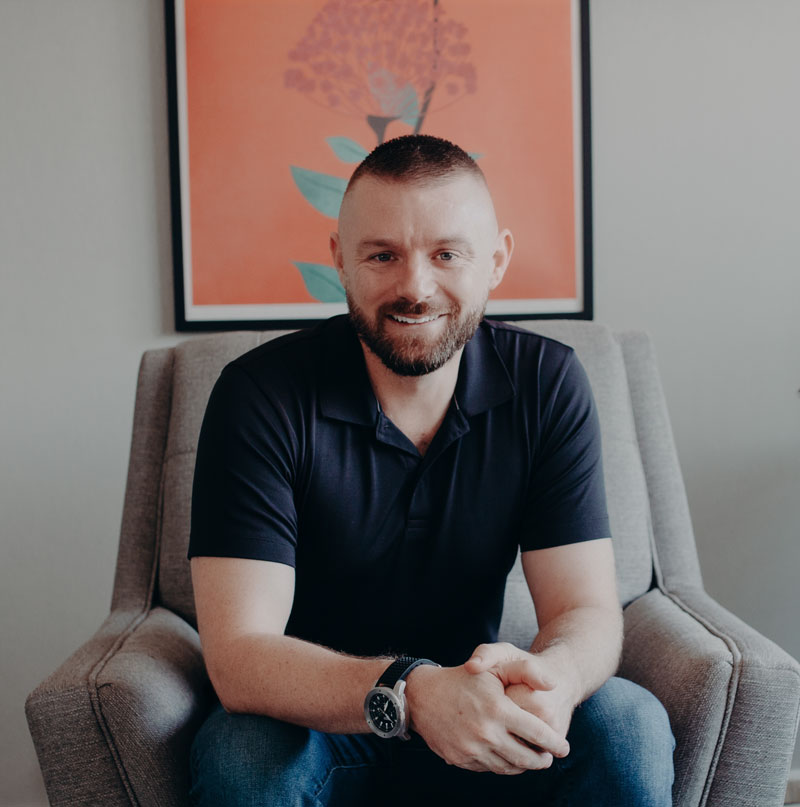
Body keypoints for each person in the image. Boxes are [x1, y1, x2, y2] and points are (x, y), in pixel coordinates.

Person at [187, 134, 675, 806]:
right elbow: (239, 655)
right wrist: (411, 691)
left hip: (486, 708)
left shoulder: (547, 383)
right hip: (324, 727)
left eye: (447, 253)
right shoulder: (260, 395)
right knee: (239, 754)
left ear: (497, 260)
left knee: (628, 723)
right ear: (339, 261)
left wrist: (555, 676)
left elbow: (584, 607)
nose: (415, 286)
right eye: (382, 254)